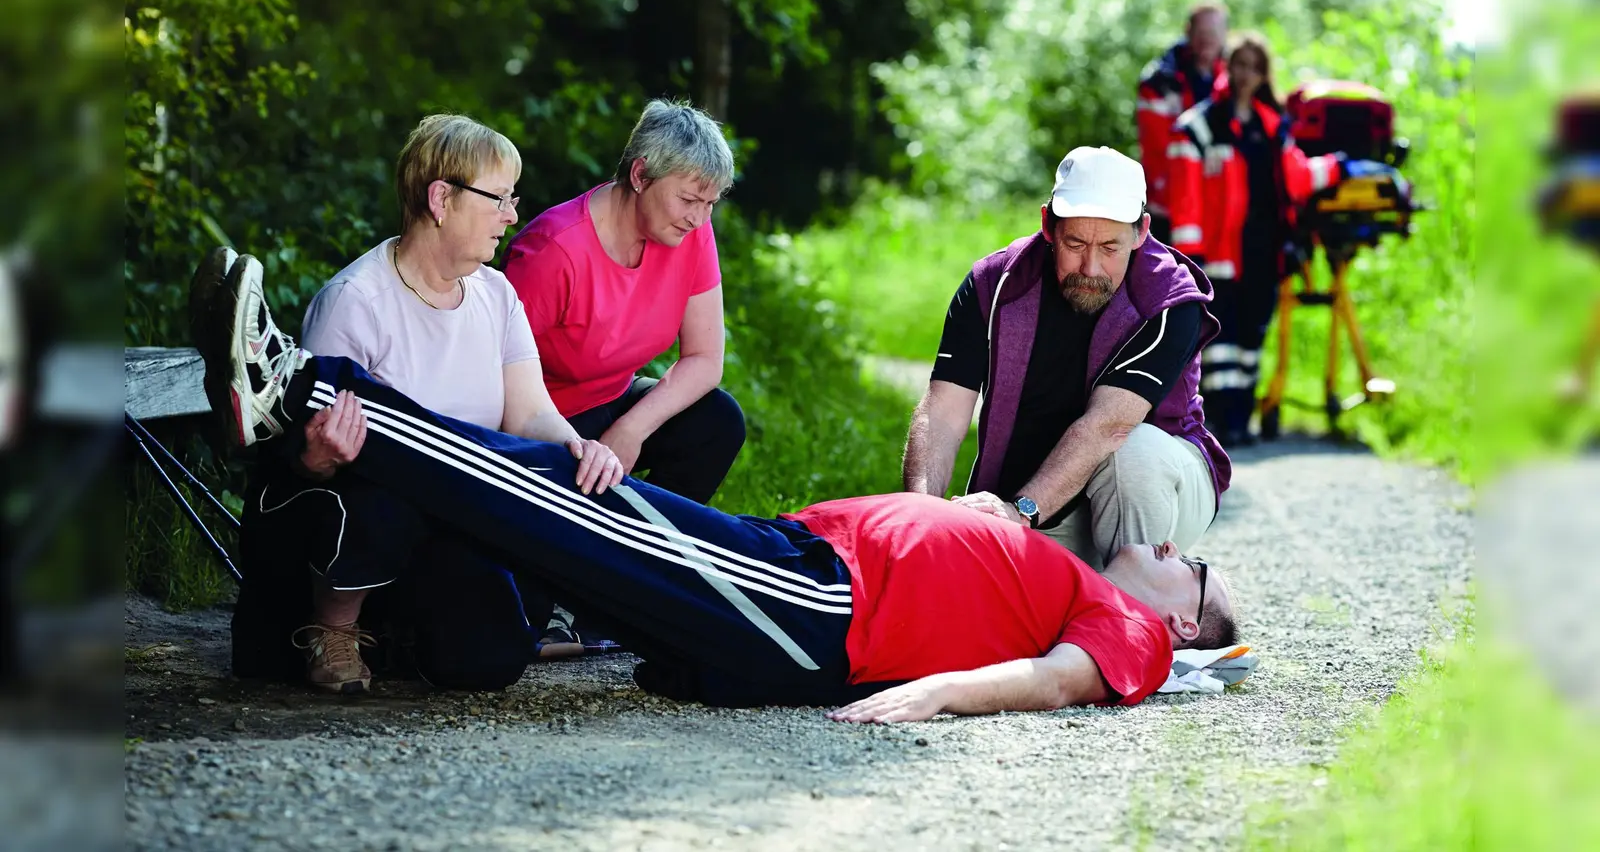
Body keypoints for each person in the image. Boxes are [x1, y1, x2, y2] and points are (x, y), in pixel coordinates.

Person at [191, 248, 1241, 720]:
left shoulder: (1131, 636)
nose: (1172, 553)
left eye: (1190, 574)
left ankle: (303, 392)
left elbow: (1051, 682)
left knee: (556, 494)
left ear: (1183, 628)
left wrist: (932, 699)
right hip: (800, 567)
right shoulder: (1079, 577)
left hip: (818, 613)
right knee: (560, 510)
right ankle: (313, 441)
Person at [214, 113, 626, 694]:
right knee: (394, 464)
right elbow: (304, 469)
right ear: (441, 199)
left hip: (456, 518)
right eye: (499, 198)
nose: (512, 216)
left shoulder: (496, 292)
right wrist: (319, 454)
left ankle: (399, 632)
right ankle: (334, 628)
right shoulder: (355, 301)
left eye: (514, 198)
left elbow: (528, 413)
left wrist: (576, 446)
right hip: (360, 520)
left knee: (490, 663)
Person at [902, 146, 1231, 573]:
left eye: (1110, 246)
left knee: (1133, 451)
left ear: (1142, 232)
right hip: (1038, 500)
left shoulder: (1170, 300)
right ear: (1048, 226)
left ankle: (1132, 612)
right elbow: (943, 411)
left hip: (1159, 486)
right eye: (1075, 243)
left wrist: (1020, 511)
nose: (1090, 268)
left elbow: (1108, 427)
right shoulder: (993, 284)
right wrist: (916, 517)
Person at [503, 99, 745, 508]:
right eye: (688, 200)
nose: (700, 219)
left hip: (613, 404)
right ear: (640, 175)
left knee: (718, 420)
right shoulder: (554, 251)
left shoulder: (689, 234)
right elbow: (486, 375)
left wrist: (631, 430)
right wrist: (574, 444)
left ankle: (649, 552)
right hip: (540, 425)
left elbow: (705, 359)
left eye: (710, 204)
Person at [1165, 33, 1345, 446]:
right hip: (1217, 253)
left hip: (1262, 250)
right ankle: (1219, 422)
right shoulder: (1198, 126)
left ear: (1264, 73)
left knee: (1251, 338)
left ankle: (1240, 421)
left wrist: (1340, 168)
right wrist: (1190, 258)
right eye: (1239, 64)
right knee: (1220, 341)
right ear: (1226, 67)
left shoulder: (1272, 124)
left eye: (1254, 66)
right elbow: (1186, 200)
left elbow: (1297, 176)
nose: (1246, 74)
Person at [1137, 0, 1229, 245]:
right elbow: (1160, 148)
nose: (1207, 39)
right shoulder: (1159, 80)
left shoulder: (1232, 76)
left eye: (1214, 33)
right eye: (1201, 32)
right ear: (1188, 32)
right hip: (1168, 200)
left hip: (1218, 203)